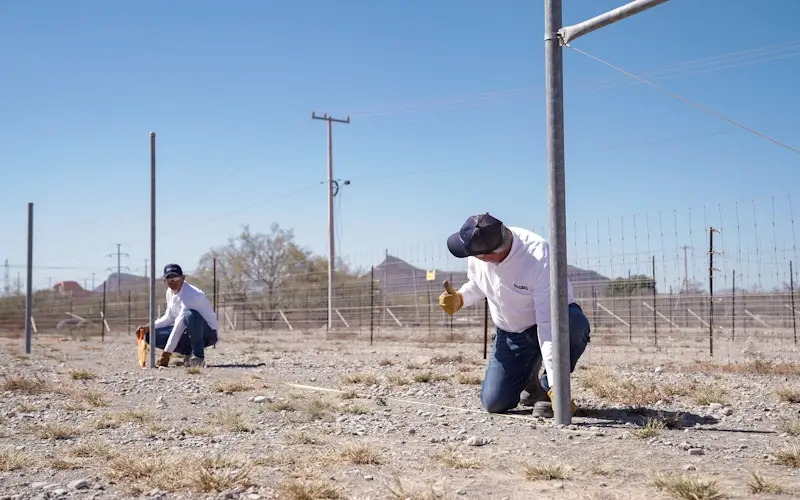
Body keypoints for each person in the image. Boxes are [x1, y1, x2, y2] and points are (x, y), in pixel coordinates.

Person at [438, 213, 591, 418]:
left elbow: (548, 325)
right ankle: (529, 378)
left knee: (573, 323)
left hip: (546, 324)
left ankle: (545, 392)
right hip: (511, 334)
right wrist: (461, 298)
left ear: (491, 254)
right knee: (493, 402)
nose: (470, 257)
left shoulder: (539, 258)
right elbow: (478, 283)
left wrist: (557, 386)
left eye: (474, 254)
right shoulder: (478, 248)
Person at [139, 264, 219, 368]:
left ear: (183, 278)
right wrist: (149, 326)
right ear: (165, 281)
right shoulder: (170, 292)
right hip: (187, 332)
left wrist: (166, 354)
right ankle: (188, 352)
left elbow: (179, 324)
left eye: (176, 277)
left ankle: (198, 357)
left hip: (207, 334)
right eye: (169, 278)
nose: (173, 281)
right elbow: (169, 317)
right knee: (150, 335)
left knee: (190, 315)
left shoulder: (191, 294)